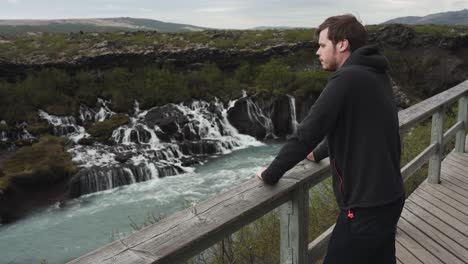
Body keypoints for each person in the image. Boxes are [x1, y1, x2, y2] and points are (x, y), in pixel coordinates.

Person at [255, 14, 405, 264]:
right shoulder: (374, 73)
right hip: (390, 196)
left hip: (365, 206)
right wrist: (319, 153)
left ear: (342, 44)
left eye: (323, 45)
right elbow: (355, 126)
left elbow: (307, 133)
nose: (317, 52)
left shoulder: (346, 78)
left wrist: (271, 174)